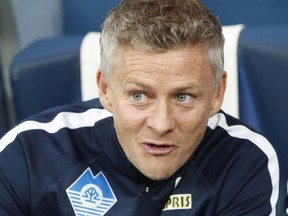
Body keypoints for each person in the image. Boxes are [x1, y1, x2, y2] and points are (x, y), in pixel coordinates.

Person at [0, 0, 279, 215]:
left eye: (183, 97)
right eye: (138, 96)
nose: (161, 124)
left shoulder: (245, 160)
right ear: (105, 89)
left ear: (217, 93)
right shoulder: (28, 153)